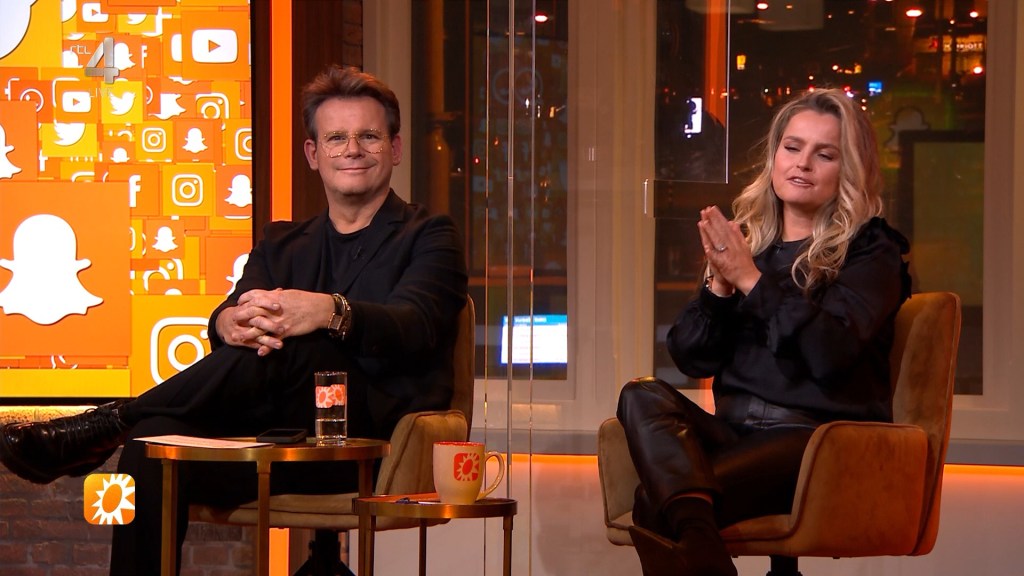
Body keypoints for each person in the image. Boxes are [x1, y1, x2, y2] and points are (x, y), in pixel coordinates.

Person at [0, 65, 468, 576]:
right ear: (313, 153)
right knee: (153, 443)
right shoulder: (281, 242)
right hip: (274, 444)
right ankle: (129, 426)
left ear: (394, 148)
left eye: (369, 136)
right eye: (336, 137)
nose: (352, 149)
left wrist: (328, 312)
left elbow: (415, 326)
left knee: (304, 346)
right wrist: (227, 323)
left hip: (368, 449)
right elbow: (235, 319)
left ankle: (108, 422)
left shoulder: (430, 234)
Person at [617, 88, 911, 576]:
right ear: (775, 155)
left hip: (816, 441)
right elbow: (693, 358)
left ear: (849, 169)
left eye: (825, 154)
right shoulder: (751, 245)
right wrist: (720, 285)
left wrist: (750, 279)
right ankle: (706, 551)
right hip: (735, 433)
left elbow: (830, 352)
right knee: (640, 394)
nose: (803, 164)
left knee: (656, 506)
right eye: (792, 147)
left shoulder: (870, 249)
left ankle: (700, 547)